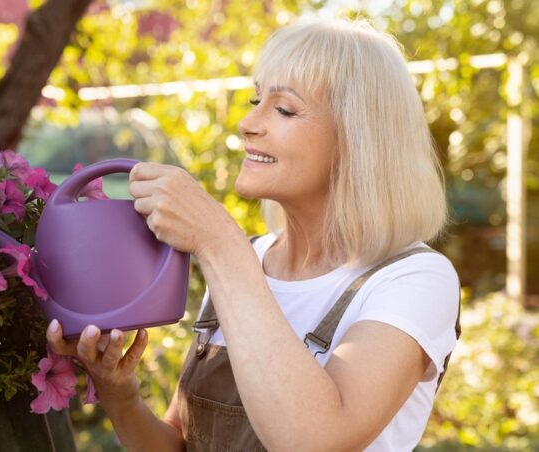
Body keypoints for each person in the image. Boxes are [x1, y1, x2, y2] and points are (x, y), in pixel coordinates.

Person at [46, 18, 460, 451]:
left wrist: (218, 240)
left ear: (358, 138)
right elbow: (181, 445)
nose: (247, 123)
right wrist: (118, 390)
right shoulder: (248, 260)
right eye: (255, 99)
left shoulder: (413, 280)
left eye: (282, 109)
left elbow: (319, 439)